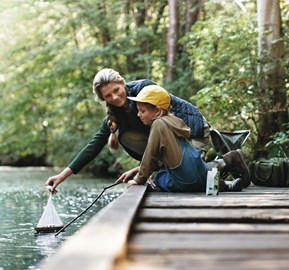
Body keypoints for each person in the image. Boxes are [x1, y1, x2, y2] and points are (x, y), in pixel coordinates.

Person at [45, 68, 249, 193]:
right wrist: (61, 176)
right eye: (108, 96)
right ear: (104, 99)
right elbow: (93, 146)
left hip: (191, 129)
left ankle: (226, 161)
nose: (115, 97)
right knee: (127, 137)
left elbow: (166, 127)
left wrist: (143, 172)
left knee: (189, 178)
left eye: (116, 90)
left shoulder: (144, 89)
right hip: (169, 142)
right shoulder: (114, 117)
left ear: (122, 83)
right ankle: (221, 169)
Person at [115, 85, 249, 192]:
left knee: (158, 178)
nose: (138, 115)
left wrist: (139, 179)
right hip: (201, 173)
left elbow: (151, 154)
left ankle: (224, 182)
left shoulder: (158, 124)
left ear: (157, 111)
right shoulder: (173, 121)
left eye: (142, 111)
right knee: (193, 176)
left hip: (185, 182)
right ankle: (226, 183)